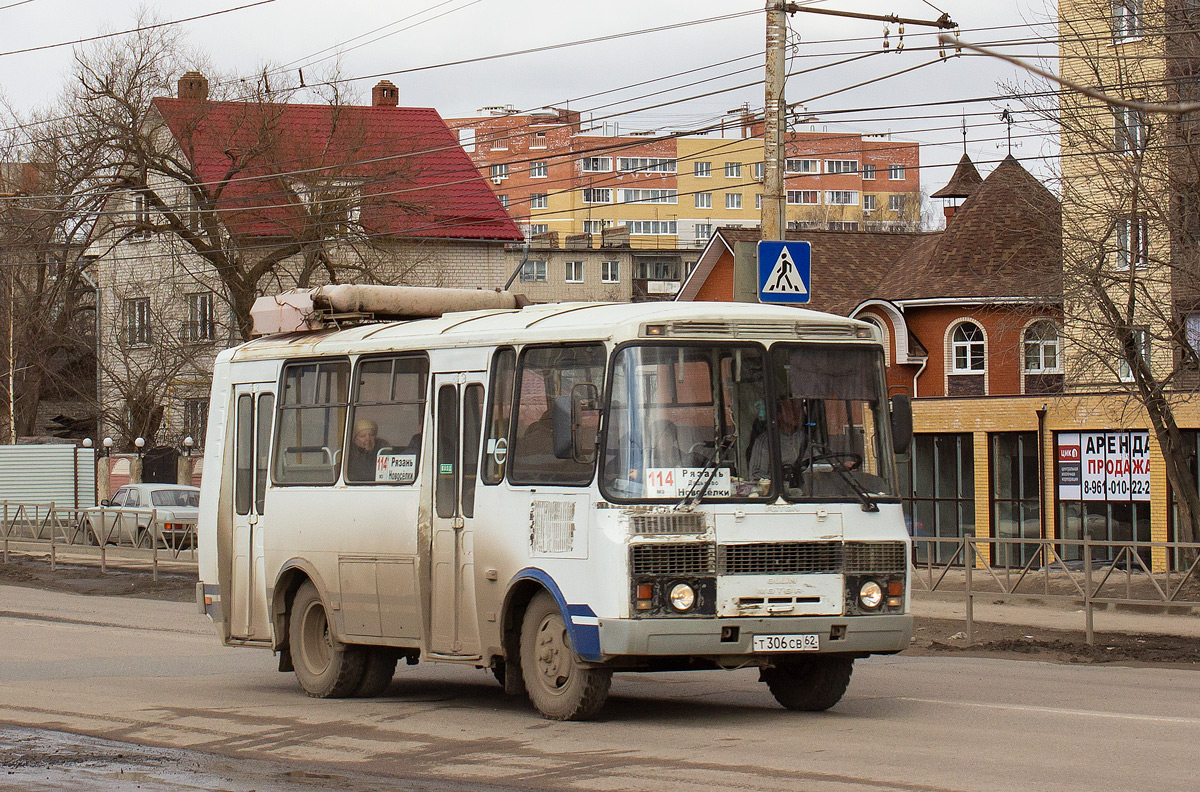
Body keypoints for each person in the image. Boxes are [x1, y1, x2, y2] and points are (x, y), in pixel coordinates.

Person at [748, 398, 806, 481]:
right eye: (790, 410)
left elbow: (817, 462)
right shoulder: (766, 441)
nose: (796, 414)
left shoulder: (803, 438)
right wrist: (780, 480)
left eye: (798, 409)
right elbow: (755, 475)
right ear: (778, 415)